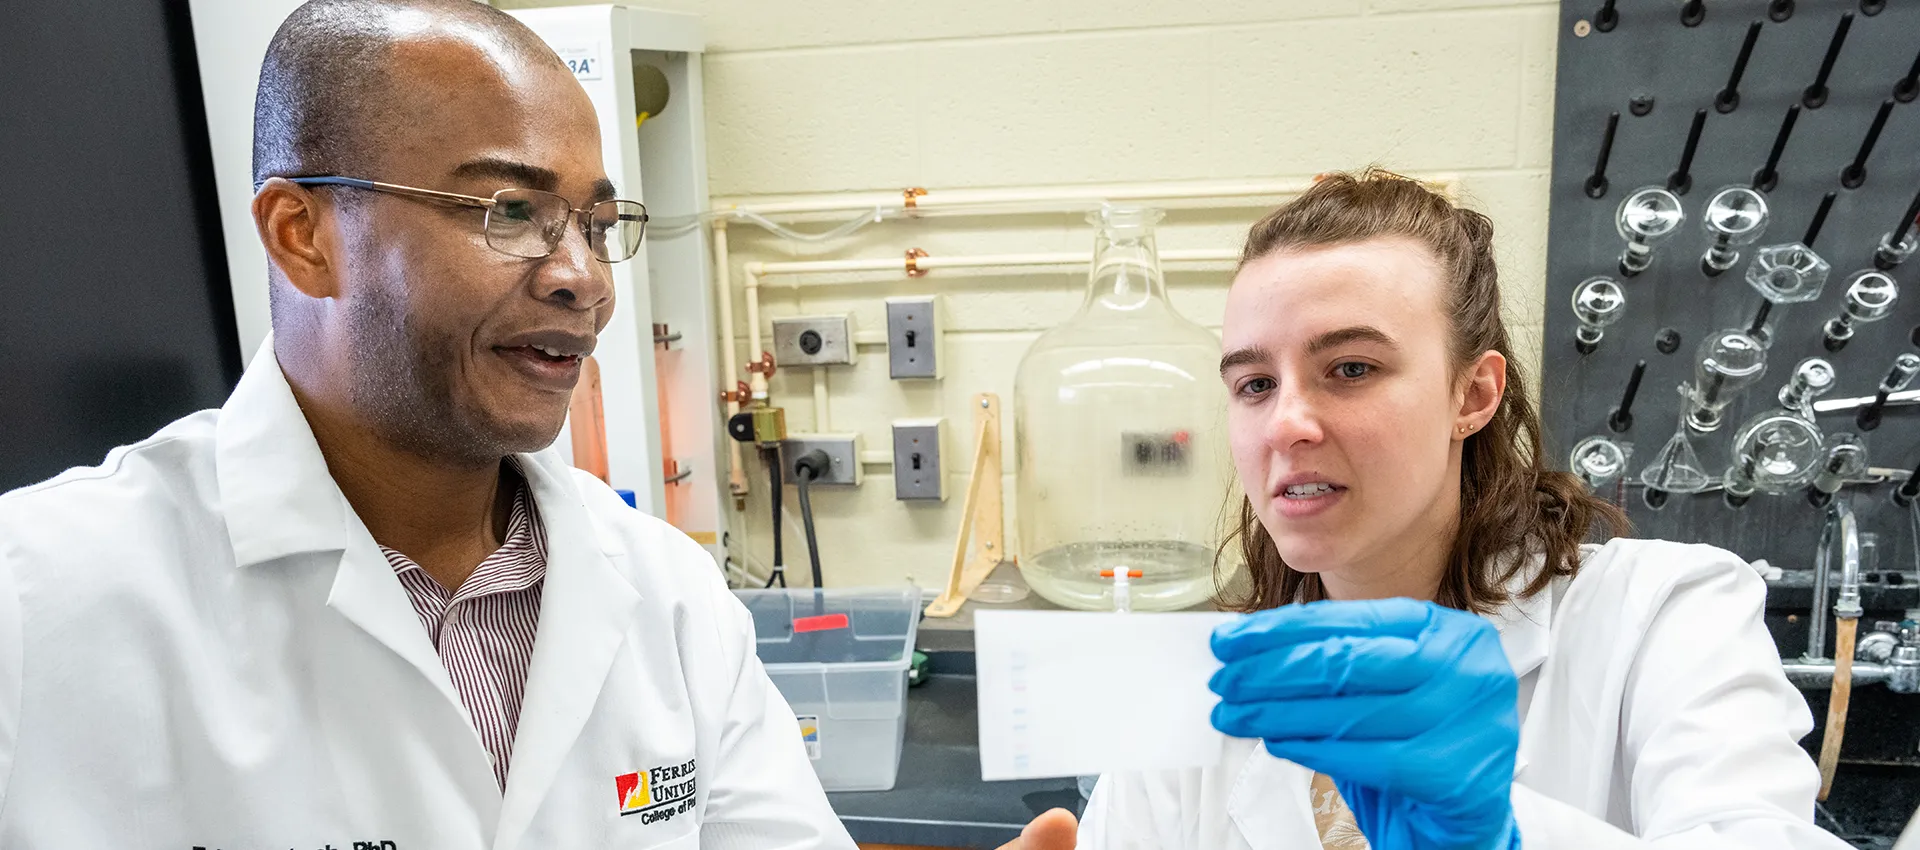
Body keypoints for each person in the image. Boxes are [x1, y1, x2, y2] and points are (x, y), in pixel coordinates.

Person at [0, 1, 853, 847]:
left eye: (595, 227)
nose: (584, 280)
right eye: (511, 211)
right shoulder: (39, 600)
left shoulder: (670, 593)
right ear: (302, 235)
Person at [1009, 170, 1849, 849]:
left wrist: (1503, 837)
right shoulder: (1197, 685)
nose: (1287, 424)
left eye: (1351, 369)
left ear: (1471, 394)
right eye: (1255, 384)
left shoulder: (1663, 617)